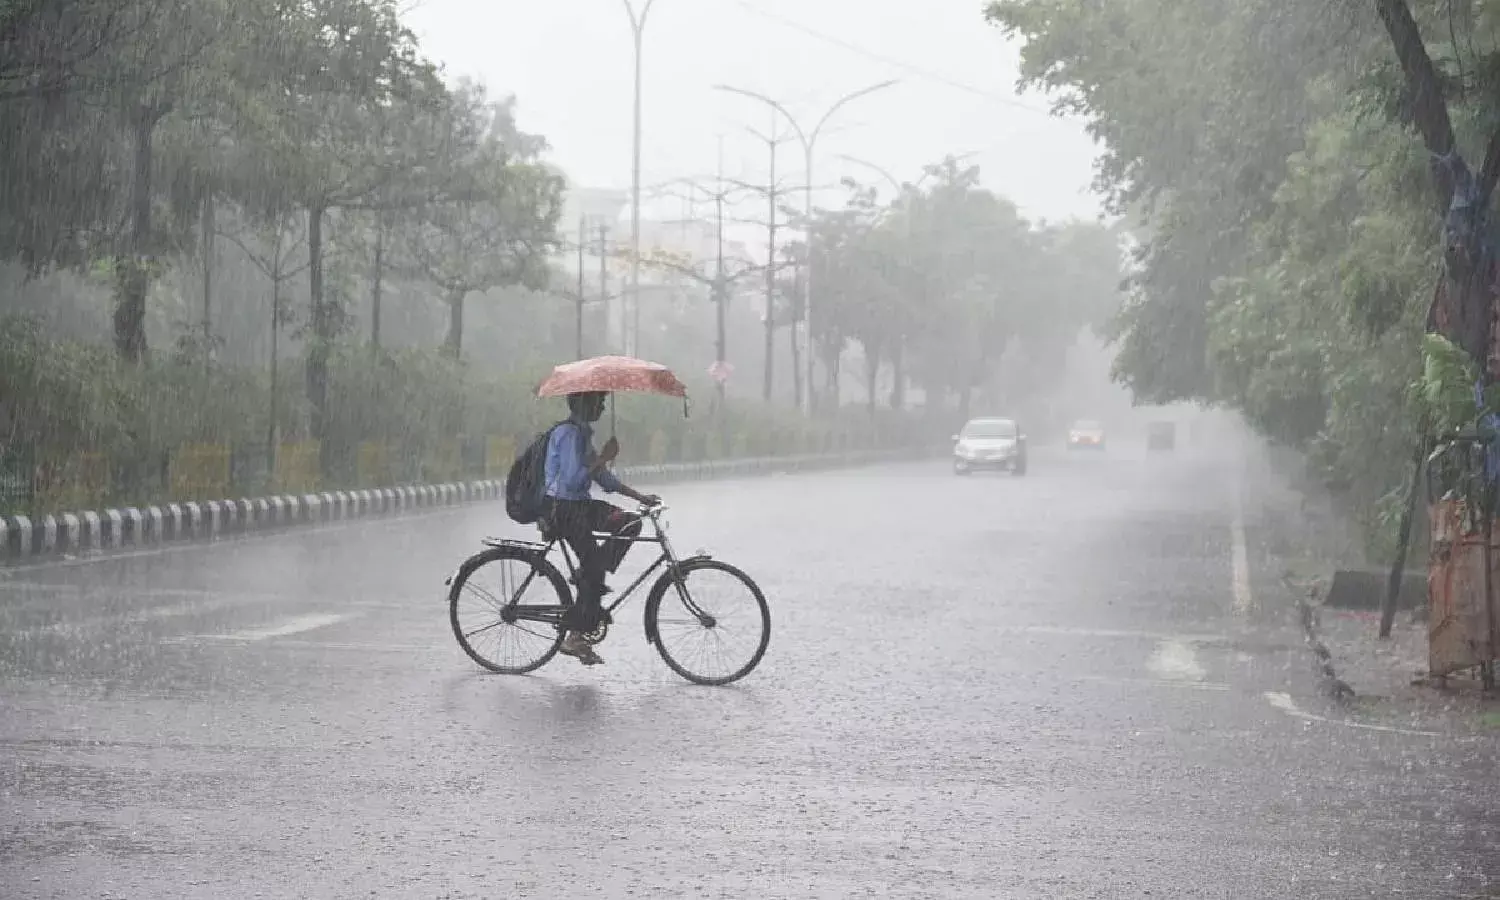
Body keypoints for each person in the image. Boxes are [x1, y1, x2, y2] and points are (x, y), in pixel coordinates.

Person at [542, 390, 659, 665]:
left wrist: (640, 498)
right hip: (564, 509)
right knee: (595, 570)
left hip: (580, 506)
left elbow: (604, 480)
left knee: (630, 522)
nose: (603, 407)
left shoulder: (582, 434)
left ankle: (588, 575)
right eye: (599, 402)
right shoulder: (569, 435)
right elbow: (571, 481)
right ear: (584, 403)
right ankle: (575, 636)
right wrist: (603, 457)